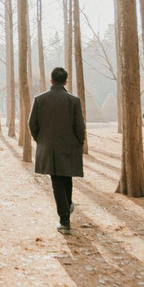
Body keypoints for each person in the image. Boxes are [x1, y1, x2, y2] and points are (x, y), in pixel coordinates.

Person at [28, 67, 86, 234]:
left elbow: (32, 124)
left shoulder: (39, 99)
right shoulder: (74, 101)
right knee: (65, 179)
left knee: (58, 182)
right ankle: (66, 211)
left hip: (49, 148)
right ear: (66, 82)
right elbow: (79, 126)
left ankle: (65, 220)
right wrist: (79, 142)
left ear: (51, 80)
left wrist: (41, 140)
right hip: (69, 146)